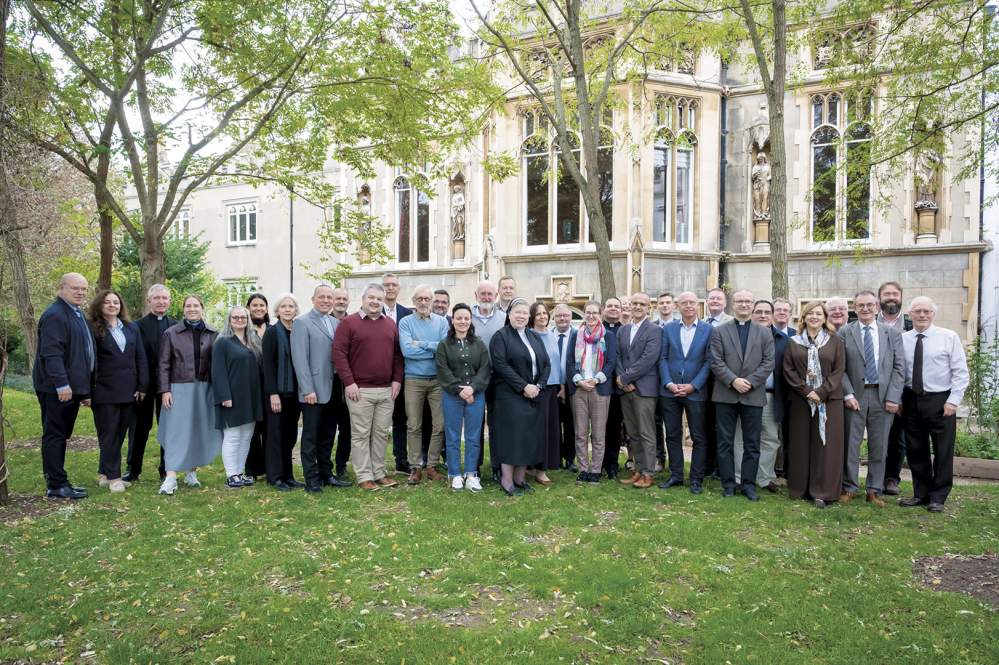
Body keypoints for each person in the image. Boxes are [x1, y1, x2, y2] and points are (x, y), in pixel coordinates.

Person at [898, 297, 969, 513]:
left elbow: (960, 372)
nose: (922, 315)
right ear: (910, 315)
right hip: (911, 399)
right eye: (917, 311)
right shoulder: (903, 339)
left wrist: (953, 401)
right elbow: (899, 372)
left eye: (926, 311)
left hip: (940, 400)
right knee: (915, 449)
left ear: (933, 314)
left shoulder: (948, 337)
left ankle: (938, 496)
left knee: (943, 450)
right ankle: (921, 493)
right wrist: (898, 399)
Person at [334, 283, 405, 491]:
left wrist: (397, 380)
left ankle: (379, 472)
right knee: (361, 434)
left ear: (383, 301)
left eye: (379, 299)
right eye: (371, 298)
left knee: (381, 433)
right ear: (363, 299)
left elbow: (398, 356)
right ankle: (364, 475)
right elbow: (339, 354)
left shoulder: (390, 324)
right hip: (359, 390)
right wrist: (349, 383)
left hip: (386, 390)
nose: (375, 302)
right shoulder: (349, 323)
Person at [839, 290, 905, 506]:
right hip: (854, 396)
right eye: (860, 305)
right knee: (851, 444)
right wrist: (847, 393)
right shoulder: (845, 333)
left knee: (880, 445)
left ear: (877, 306)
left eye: (869, 305)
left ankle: (874, 490)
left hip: (883, 396)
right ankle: (849, 487)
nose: (865, 309)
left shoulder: (891, 333)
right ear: (855, 308)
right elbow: (839, 368)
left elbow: (899, 367)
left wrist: (894, 397)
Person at [33, 273, 95, 499]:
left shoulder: (75, 314)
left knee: (61, 434)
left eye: (84, 289)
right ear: (61, 289)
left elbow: (82, 353)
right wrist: (62, 384)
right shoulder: (55, 315)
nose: (80, 292)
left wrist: (84, 390)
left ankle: (59, 480)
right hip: (56, 389)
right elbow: (51, 353)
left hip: (72, 388)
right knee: (55, 434)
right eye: (75, 288)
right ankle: (57, 484)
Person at [709, 290, 775, 501]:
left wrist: (751, 382)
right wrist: (733, 380)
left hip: (753, 394)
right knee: (725, 442)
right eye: (740, 301)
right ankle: (729, 484)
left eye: (748, 301)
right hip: (725, 393)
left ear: (753, 304)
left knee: (752, 443)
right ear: (733, 304)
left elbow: (768, 363)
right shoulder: (720, 331)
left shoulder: (764, 333)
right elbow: (715, 361)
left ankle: (748, 485)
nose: (744, 304)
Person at [783, 301, 847, 508]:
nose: (814, 317)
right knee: (801, 443)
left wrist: (821, 392)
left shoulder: (835, 341)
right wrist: (807, 391)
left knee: (825, 445)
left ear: (825, 317)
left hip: (829, 401)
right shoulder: (793, 342)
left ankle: (823, 491)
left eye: (819, 313)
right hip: (801, 401)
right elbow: (788, 370)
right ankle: (799, 488)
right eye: (810, 313)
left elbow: (839, 370)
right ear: (804, 317)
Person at [156, 295, 221, 495]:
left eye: (196, 305)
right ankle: (171, 477)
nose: (192, 308)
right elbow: (163, 364)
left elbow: (217, 364)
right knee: (176, 431)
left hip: (204, 387)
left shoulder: (213, 333)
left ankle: (191, 472)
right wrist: (165, 389)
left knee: (197, 430)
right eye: (188, 306)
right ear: (183, 309)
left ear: (202, 308)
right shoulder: (171, 333)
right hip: (178, 387)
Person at [291, 285, 351, 492]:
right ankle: (312, 479)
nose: (326, 300)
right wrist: (307, 389)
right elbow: (300, 359)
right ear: (313, 298)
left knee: (328, 435)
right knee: (310, 437)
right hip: (313, 390)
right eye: (322, 297)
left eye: (329, 297)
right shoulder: (301, 322)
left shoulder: (336, 323)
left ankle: (327, 474)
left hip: (334, 387)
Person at [87, 289, 148, 493]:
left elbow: (140, 357)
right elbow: (88, 361)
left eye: (116, 302)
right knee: (109, 434)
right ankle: (114, 478)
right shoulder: (92, 328)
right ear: (99, 306)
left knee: (119, 433)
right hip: (103, 390)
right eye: (107, 302)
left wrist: (142, 385)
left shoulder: (131, 328)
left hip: (129, 390)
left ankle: (105, 473)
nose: (112, 305)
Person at [489, 299, 550, 496]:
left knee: (528, 436)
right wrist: (523, 386)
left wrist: (539, 385)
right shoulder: (501, 337)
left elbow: (546, 364)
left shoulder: (533, 336)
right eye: (517, 312)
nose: (522, 316)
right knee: (512, 437)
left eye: (525, 313)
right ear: (509, 315)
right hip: (508, 394)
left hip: (533, 393)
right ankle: (507, 480)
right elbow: (501, 365)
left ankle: (520, 478)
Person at [658, 291, 712, 493]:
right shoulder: (669, 329)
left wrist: (693, 385)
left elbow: (709, 362)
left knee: (698, 437)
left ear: (698, 305)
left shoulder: (708, 330)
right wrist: (668, 383)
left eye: (692, 302)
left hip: (695, 392)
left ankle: (696, 479)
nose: (688, 305)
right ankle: (676, 475)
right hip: (670, 392)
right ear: (677, 306)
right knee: (672, 435)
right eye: (684, 303)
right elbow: (662, 358)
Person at [435, 303, 491, 491]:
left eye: (466, 318)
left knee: (474, 435)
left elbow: (485, 369)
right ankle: (455, 474)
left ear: (470, 320)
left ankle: (471, 474)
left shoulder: (479, 343)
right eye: (459, 318)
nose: (463, 321)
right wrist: (460, 390)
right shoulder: (444, 344)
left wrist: (472, 388)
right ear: (453, 320)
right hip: (452, 395)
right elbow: (443, 370)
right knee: (452, 435)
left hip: (476, 395)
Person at [124, 284, 176, 483]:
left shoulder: (176, 325)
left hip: (168, 387)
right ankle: (133, 469)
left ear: (169, 301)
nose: (161, 301)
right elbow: (134, 358)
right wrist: (139, 385)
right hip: (144, 386)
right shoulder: (136, 326)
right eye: (157, 298)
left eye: (164, 298)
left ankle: (166, 468)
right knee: (139, 428)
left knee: (167, 427)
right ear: (149, 301)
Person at [399, 285, 449, 484]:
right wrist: (432, 348)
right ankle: (415, 467)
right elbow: (407, 351)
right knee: (413, 425)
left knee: (440, 424)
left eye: (426, 299)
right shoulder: (405, 323)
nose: (423, 302)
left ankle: (432, 465)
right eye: (419, 298)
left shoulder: (442, 322)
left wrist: (420, 343)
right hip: (413, 379)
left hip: (438, 380)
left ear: (431, 301)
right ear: (414, 300)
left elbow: (444, 349)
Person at [732, 300, 784, 492]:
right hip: (744, 393)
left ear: (772, 315)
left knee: (769, 438)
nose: (763, 315)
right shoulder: (742, 335)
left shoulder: (783, 339)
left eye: (767, 312)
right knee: (741, 436)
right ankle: (739, 477)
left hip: (770, 395)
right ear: (752, 314)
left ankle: (764, 477)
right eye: (758, 312)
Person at [213, 306, 264, 488]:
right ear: (229, 319)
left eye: (243, 317)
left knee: (246, 435)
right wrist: (224, 395)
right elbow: (218, 372)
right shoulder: (223, 342)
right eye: (236, 317)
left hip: (251, 396)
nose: (240, 320)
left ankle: (240, 473)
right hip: (232, 396)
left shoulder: (253, 340)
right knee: (233, 435)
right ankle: (231, 474)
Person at [567, 301, 617, 483]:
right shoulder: (575, 335)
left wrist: (596, 379)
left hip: (600, 389)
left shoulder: (608, 336)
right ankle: (583, 469)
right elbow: (570, 362)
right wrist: (579, 381)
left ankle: (595, 470)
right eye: (588, 312)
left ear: (600, 314)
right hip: (579, 389)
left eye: (595, 313)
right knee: (580, 432)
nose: (591, 316)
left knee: (598, 433)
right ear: (584, 314)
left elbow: (611, 362)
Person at [615, 292, 662, 489]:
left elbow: (648, 359)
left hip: (644, 388)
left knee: (646, 432)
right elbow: (617, 356)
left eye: (642, 304)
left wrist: (626, 378)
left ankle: (648, 473)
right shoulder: (623, 330)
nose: (637, 307)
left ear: (648, 307)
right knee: (633, 433)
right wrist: (621, 380)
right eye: (634, 303)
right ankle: (638, 470)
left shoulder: (654, 330)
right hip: (625, 390)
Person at [261, 294, 304, 491]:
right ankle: (275, 477)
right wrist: (272, 393)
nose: (287, 309)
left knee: (289, 436)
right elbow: (267, 365)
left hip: (295, 394)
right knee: (275, 436)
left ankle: (288, 475)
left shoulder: (297, 331)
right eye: (284, 306)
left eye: (291, 306)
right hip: (277, 394)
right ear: (277, 311)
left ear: (296, 310)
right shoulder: (272, 332)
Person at [877, 281, 913, 496]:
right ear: (879, 298)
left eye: (895, 294)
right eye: (886, 294)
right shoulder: (869, 321)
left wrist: (897, 396)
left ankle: (891, 478)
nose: (891, 297)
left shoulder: (910, 325)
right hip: (873, 388)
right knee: (875, 436)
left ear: (901, 297)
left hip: (901, 391)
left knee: (897, 438)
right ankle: (875, 477)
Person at [471, 280, 507, 478]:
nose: (486, 297)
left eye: (489, 294)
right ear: (476, 295)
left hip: (497, 378)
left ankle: (497, 466)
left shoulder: (503, 318)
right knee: (475, 423)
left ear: (496, 296)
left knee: (497, 423)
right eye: (482, 293)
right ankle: (474, 466)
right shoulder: (467, 316)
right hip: (474, 378)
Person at [528, 301, 563, 484]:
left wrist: (562, 384)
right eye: (538, 314)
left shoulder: (551, 335)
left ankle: (543, 465)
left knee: (550, 428)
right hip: (538, 387)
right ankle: (537, 468)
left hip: (553, 387)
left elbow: (557, 362)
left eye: (544, 313)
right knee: (538, 429)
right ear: (532, 317)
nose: (542, 316)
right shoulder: (530, 336)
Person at [382, 273, 414, 474]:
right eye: (386, 285)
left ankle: (401, 459)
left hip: (401, 374)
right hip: (378, 374)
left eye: (394, 285)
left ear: (399, 289)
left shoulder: (406, 314)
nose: (390, 288)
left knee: (401, 419)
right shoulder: (372, 311)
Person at [703, 287, 732, 480]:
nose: (714, 301)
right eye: (711, 298)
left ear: (725, 303)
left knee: (722, 427)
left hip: (723, 381)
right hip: (704, 381)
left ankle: (722, 468)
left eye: (718, 298)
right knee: (705, 425)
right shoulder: (702, 323)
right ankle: (707, 464)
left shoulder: (731, 322)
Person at [243, 293, 269, 478]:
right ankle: (252, 469)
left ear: (266, 309)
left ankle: (269, 467)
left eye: (262, 305)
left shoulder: (273, 329)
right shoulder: (242, 330)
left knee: (269, 429)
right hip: (250, 386)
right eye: (255, 305)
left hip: (270, 387)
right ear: (248, 308)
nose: (258, 308)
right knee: (252, 430)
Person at [600, 297, 625, 479]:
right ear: (603, 309)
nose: (613, 309)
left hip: (619, 387)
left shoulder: (625, 330)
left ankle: (612, 463)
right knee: (600, 428)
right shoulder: (595, 329)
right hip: (600, 386)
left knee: (615, 428)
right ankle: (598, 462)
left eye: (617, 306)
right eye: (610, 306)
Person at [771, 297, 795, 478]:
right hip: (770, 391)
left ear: (790, 314)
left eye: (785, 310)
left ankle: (789, 470)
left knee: (790, 434)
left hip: (791, 393)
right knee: (769, 435)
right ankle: (769, 470)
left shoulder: (797, 335)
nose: (781, 313)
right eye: (778, 309)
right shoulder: (765, 334)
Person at [330, 287, 353, 479]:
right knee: (328, 427)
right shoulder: (324, 321)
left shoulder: (353, 322)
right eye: (338, 298)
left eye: (344, 298)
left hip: (348, 380)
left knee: (347, 427)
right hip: (328, 380)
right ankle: (325, 465)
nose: (341, 301)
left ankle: (341, 465)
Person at [551, 304, 576, 470]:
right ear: (554, 318)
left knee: (571, 423)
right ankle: (555, 457)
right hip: (552, 385)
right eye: (559, 316)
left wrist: (568, 385)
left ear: (571, 317)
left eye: (565, 315)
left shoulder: (578, 335)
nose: (562, 318)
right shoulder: (547, 335)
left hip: (572, 385)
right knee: (553, 423)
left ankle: (570, 458)